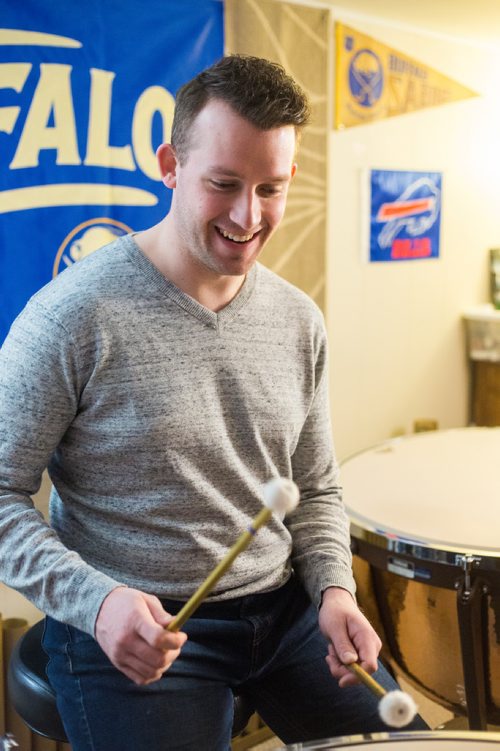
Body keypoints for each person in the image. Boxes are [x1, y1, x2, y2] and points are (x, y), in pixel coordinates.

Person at [0, 55, 426, 750]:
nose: (247, 216)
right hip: (134, 622)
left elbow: (315, 487)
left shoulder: (298, 320)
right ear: (170, 164)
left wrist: (335, 592)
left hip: (281, 612)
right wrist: (97, 602)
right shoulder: (71, 317)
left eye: (271, 188)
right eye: (223, 184)